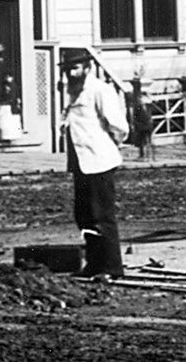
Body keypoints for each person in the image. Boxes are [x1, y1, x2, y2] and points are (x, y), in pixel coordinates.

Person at [60, 51, 129, 280]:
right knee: (84, 215)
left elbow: (118, 125)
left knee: (101, 215)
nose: (70, 73)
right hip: (81, 161)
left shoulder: (100, 90)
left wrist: (109, 145)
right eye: (67, 69)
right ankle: (94, 264)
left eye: (75, 68)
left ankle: (110, 268)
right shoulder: (71, 91)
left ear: (87, 68)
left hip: (99, 160)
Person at [0, 71, 23, 147]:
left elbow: (13, 97)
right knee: (8, 123)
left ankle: (10, 138)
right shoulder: (5, 85)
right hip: (9, 107)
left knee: (10, 123)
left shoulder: (12, 86)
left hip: (11, 108)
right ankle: (7, 138)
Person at [131, 80, 155, 161]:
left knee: (142, 141)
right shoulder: (149, 105)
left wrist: (135, 123)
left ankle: (144, 156)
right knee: (148, 141)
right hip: (148, 124)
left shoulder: (140, 106)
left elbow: (137, 116)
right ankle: (150, 156)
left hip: (142, 125)